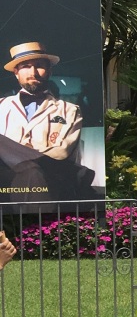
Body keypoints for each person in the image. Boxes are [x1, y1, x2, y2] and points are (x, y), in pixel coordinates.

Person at [0, 41, 85, 201]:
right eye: (25, 66)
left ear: (49, 71)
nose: (33, 72)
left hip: (49, 176)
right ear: (16, 72)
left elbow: (62, 152)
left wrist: (23, 161)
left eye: (39, 65)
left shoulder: (69, 110)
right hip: (4, 176)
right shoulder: (1, 106)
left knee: (32, 174)